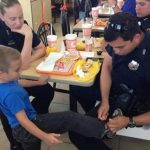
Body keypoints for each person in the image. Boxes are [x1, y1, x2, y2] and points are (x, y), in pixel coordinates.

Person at [0, 45, 113, 150]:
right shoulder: (10, 95)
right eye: (16, 70)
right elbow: (23, 121)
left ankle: (102, 130)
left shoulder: (7, 81)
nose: (20, 72)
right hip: (26, 128)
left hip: (28, 123)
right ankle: (104, 130)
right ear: (1, 73)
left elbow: (20, 83)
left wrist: (38, 82)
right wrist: (45, 136)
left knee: (69, 118)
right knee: (69, 118)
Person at [69, 12, 150, 150]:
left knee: (77, 132)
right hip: (117, 90)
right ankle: (102, 123)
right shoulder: (118, 43)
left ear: (136, 38)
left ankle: (103, 124)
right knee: (77, 88)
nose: (115, 51)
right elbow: (107, 64)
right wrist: (105, 101)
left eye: (119, 47)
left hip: (137, 100)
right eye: (112, 47)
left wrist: (129, 121)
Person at [0, 0, 54, 149]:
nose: (18, 22)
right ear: (1, 16)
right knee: (8, 110)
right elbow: (20, 67)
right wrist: (28, 37)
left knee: (47, 91)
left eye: (20, 16)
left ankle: (33, 121)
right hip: (4, 82)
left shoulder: (23, 24)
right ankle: (15, 142)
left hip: (18, 77)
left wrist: (26, 59)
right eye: (13, 19)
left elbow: (41, 49)